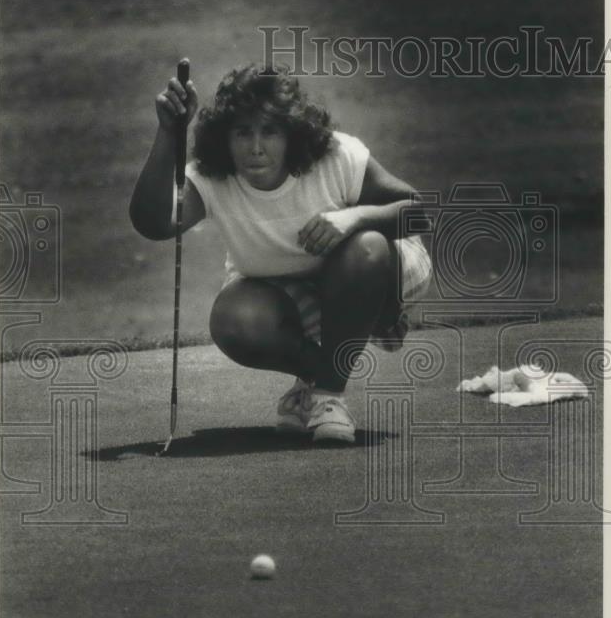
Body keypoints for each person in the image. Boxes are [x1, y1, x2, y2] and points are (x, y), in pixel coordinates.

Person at [130, 62, 432, 445]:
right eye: (242, 133)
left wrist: (353, 218)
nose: (256, 147)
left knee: (365, 246)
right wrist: (169, 133)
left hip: (386, 273)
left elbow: (417, 213)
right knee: (234, 317)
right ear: (225, 138)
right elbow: (152, 224)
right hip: (298, 285)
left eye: (270, 131)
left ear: (291, 134)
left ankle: (328, 398)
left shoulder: (336, 156)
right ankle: (319, 379)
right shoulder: (213, 176)